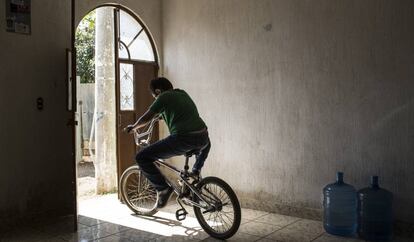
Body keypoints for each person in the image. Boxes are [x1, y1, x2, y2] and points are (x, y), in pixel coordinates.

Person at [125, 77, 211, 208]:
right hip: (203, 136)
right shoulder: (182, 93)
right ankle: (196, 172)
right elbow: (179, 111)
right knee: (204, 145)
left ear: (158, 91)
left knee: (142, 157)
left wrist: (134, 127)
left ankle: (163, 189)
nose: (155, 98)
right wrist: (161, 115)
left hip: (183, 139)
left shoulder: (163, 97)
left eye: (154, 96)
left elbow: (147, 117)